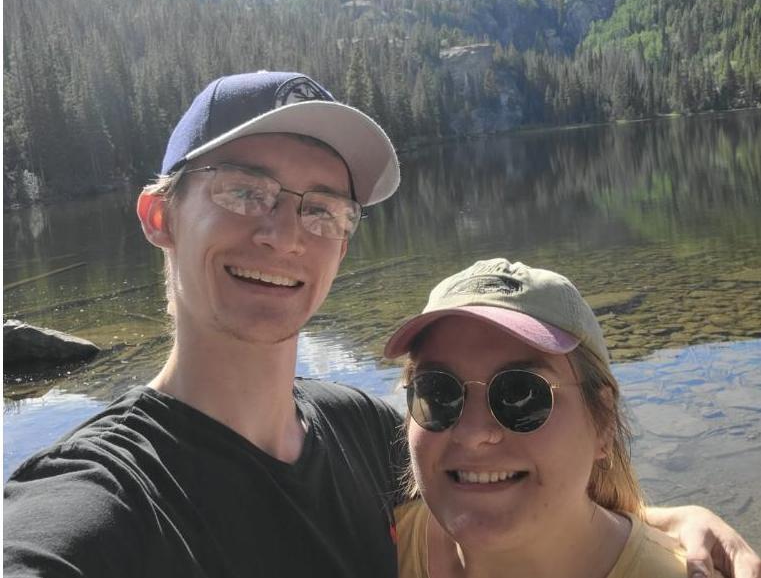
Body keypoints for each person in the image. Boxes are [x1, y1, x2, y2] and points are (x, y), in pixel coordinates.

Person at [4, 72, 759, 578]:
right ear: (158, 213)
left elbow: (522, 491)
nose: (282, 234)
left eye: (321, 206)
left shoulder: (362, 435)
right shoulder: (107, 498)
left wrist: (666, 526)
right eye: (243, 191)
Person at [385, 258, 759, 578]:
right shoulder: (370, 540)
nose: (471, 432)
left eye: (521, 394)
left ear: (603, 421)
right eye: (437, 392)